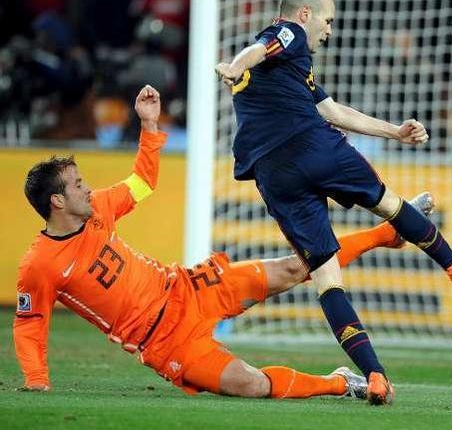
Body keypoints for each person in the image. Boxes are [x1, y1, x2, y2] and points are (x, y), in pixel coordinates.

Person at [13, 85, 419, 400]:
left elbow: (142, 182)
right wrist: (36, 381)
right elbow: (31, 325)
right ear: (57, 201)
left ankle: (388, 233)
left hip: (185, 288)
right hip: (164, 341)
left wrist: (149, 127)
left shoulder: (99, 207)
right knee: (252, 386)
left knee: (298, 266)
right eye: (78, 185)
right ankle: (340, 383)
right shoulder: (40, 265)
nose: (88, 189)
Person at [214, 0, 452, 404]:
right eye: (328, 20)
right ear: (305, 14)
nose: (330, 30)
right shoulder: (289, 32)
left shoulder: (292, 71)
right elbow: (259, 48)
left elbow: (332, 110)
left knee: (326, 277)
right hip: (311, 145)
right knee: (390, 204)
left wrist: (393, 131)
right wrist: (233, 65)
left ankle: (375, 375)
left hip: (273, 173)